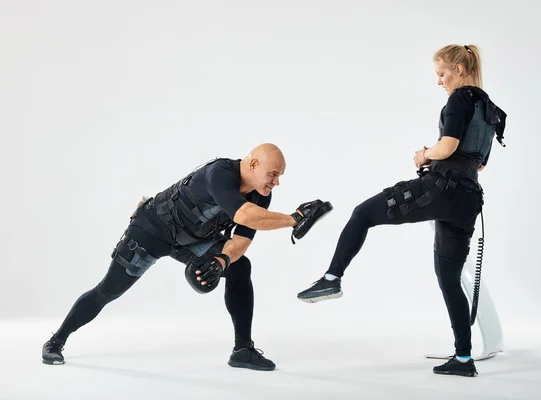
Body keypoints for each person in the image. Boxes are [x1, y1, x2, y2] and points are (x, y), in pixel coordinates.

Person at [297, 44, 507, 377]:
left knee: (363, 214)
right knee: (450, 278)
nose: (440, 81)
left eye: (442, 73)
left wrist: (425, 155)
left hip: (440, 188)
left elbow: (448, 145)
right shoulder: (491, 110)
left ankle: (331, 278)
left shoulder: (460, 98)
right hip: (468, 199)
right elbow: (478, 165)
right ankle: (464, 360)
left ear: (460, 70)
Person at [42, 143, 332, 371]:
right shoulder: (219, 173)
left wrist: (220, 262)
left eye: (280, 176)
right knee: (107, 291)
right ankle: (57, 340)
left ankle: (242, 349)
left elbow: (242, 239)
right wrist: (294, 218)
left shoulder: (260, 194)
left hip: (193, 241)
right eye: (273, 174)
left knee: (240, 266)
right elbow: (244, 215)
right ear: (253, 164)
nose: (276, 182)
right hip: (150, 232)